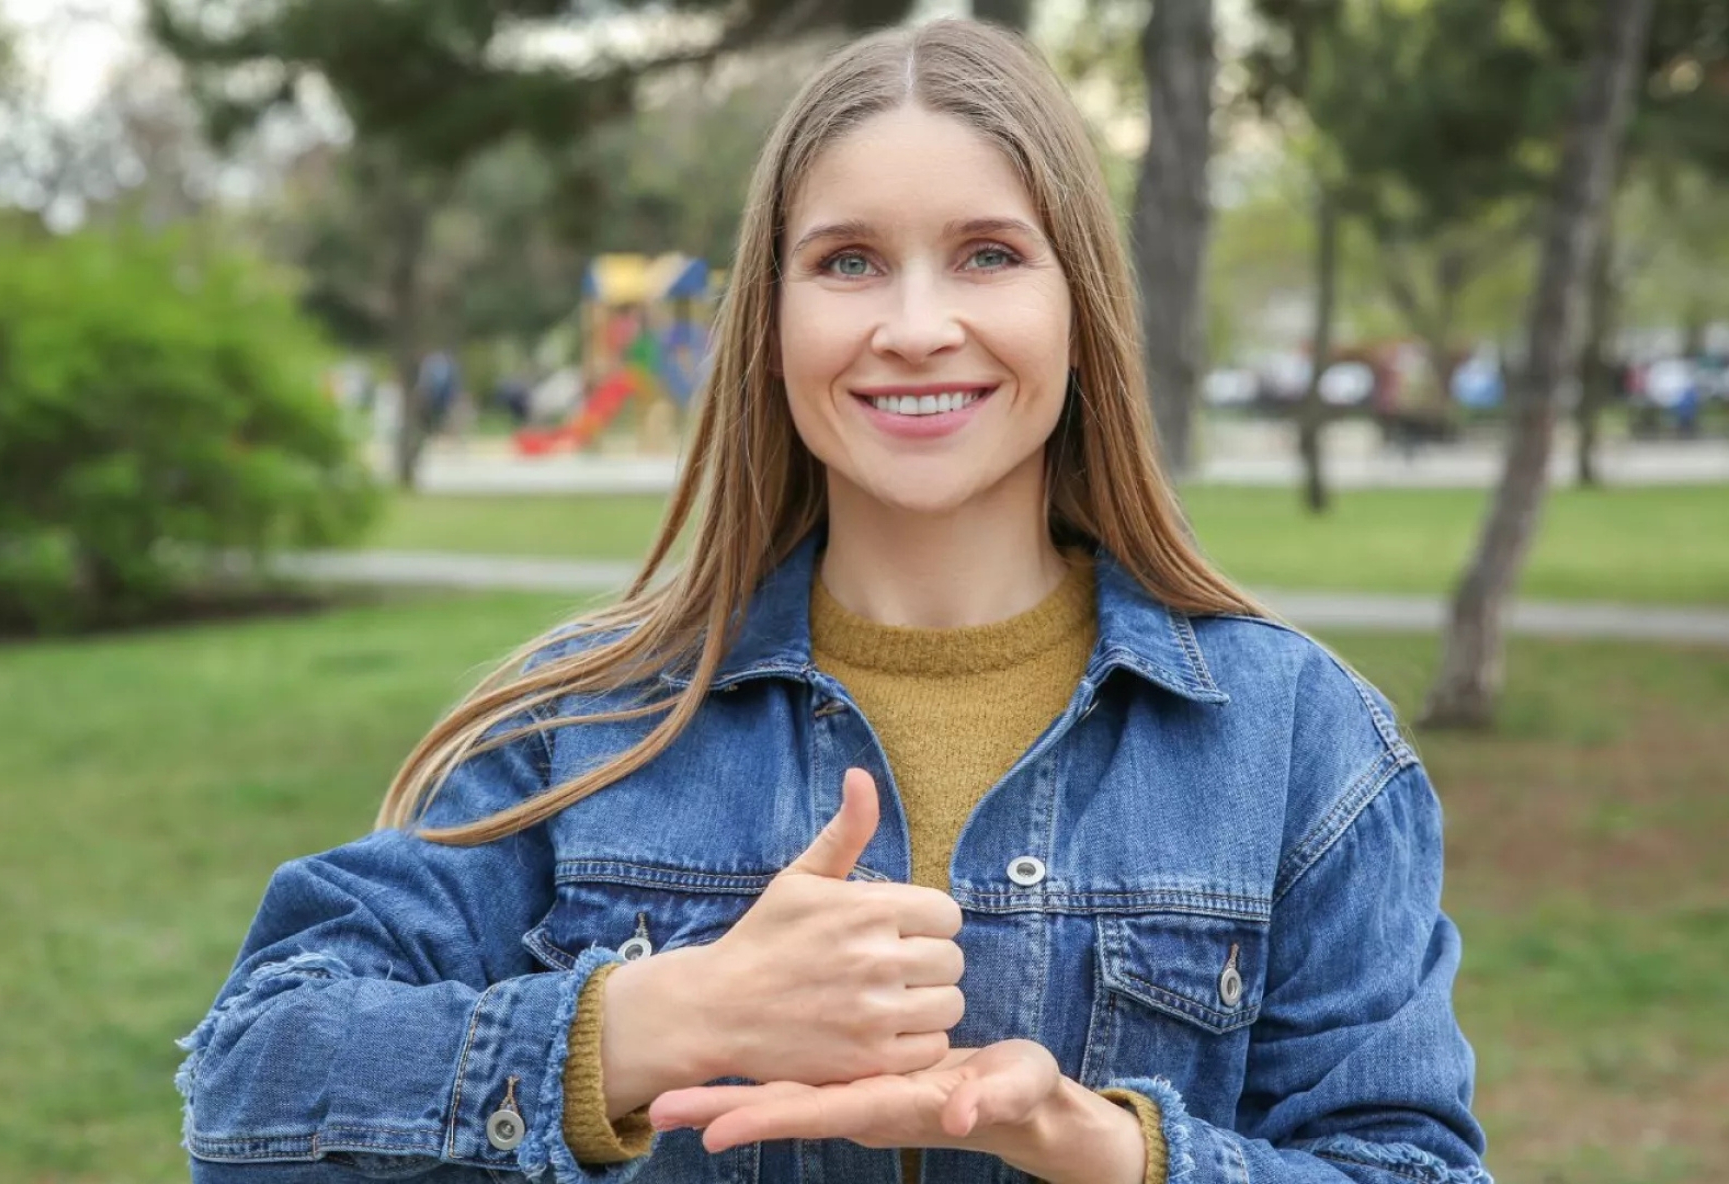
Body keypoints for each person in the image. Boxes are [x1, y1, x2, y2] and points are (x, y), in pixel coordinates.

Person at [175, 19, 1489, 1184]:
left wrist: (1111, 1153)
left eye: (987, 254)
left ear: (1079, 304)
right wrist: (666, 1017)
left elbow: (1409, 1166)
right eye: (849, 262)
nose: (916, 325)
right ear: (773, 318)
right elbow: (245, 1093)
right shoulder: (588, 722)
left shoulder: (1302, 745)